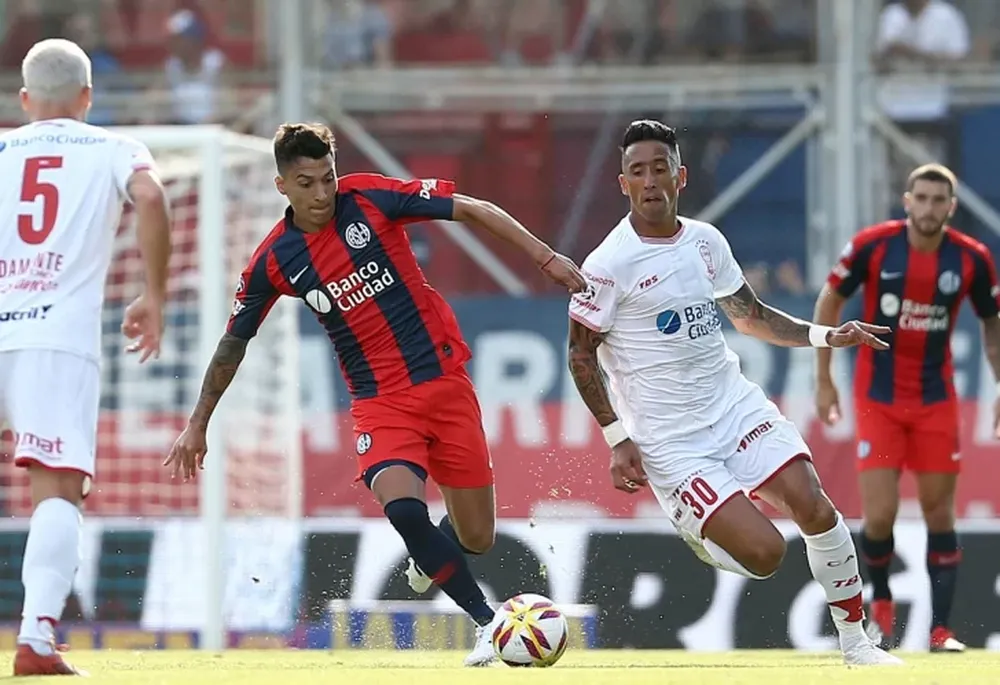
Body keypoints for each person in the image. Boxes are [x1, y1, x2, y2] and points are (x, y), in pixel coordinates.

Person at [165, 122, 585, 667]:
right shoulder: (275, 260)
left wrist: (545, 257)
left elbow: (475, 207)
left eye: (327, 178)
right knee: (404, 509)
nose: (321, 194)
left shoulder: (369, 197)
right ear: (281, 186)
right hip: (380, 403)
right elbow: (231, 345)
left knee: (476, 535)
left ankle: (430, 556)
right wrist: (198, 422)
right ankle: (488, 621)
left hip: (445, 385)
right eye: (306, 183)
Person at [567, 119, 900, 666]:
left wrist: (825, 334)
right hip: (672, 441)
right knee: (766, 554)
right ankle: (697, 529)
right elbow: (580, 355)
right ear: (622, 184)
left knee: (815, 506)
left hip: (734, 407)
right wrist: (615, 437)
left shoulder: (706, 242)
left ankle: (856, 642)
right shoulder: (607, 265)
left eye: (659, 168)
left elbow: (751, 317)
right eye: (637, 172)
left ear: (681, 175)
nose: (650, 181)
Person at [0, 39, 171, 676]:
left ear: (24, 100)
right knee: (56, 490)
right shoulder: (112, 149)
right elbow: (151, 199)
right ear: (87, 98)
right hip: (53, 339)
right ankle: (36, 640)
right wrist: (153, 295)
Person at [813, 163, 1000, 653]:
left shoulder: (972, 259)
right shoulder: (873, 246)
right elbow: (829, 302)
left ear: (951, 208)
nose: (930, 208)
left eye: (940, 200)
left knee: (940, 513)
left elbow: (992, 323)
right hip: (878, 398)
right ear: (907, 200)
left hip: (936, 400)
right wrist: (824, 379)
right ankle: (880, 608)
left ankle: (942, 632)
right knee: (879, 517)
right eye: (923, 198)